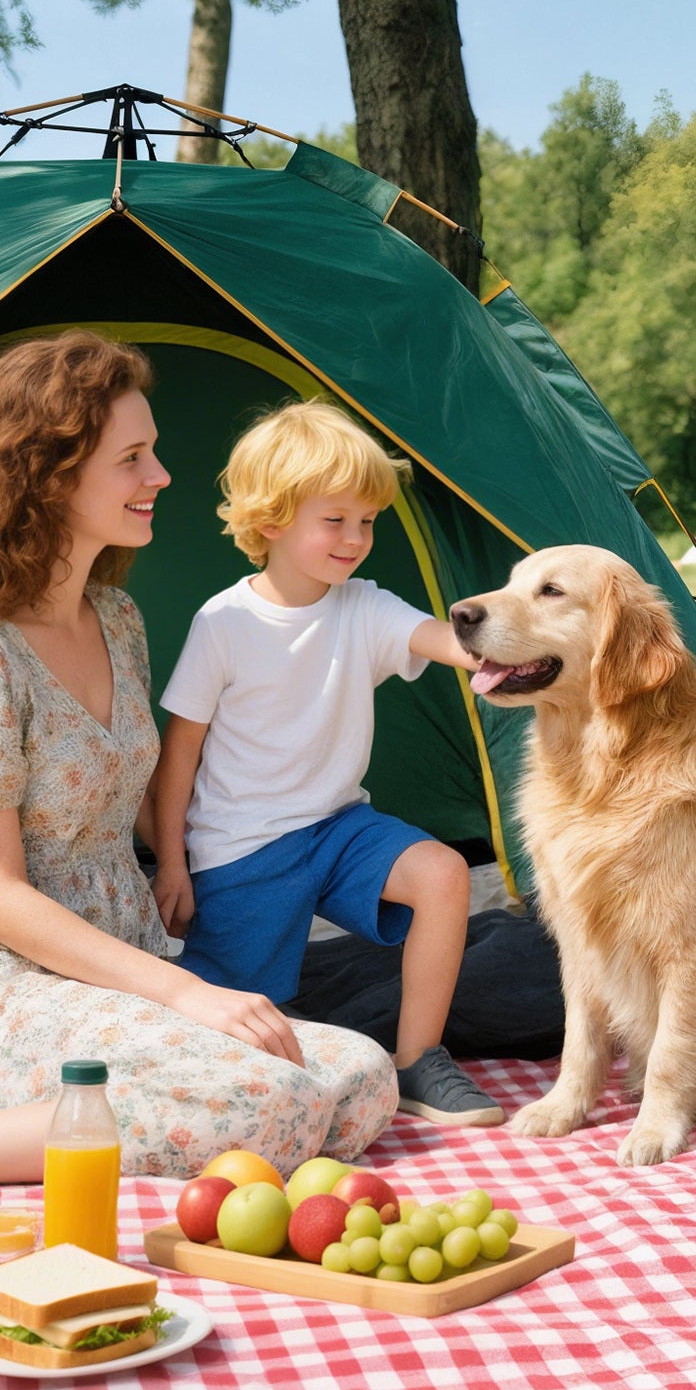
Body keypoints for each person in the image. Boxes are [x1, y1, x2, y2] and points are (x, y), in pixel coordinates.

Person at [0, 334, 397, 1202]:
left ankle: (32, 1117)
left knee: (358, 1073)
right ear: (46, 476)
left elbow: (159, 802)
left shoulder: (116, 618)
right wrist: (188, 995)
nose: (160, 475)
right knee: (262, 1101)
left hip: (119, 961)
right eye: (132, 457)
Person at [152, 401, 502, 1126]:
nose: (356, 538)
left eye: (367, 521)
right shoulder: (224, 623)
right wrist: (173, 863)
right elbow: (178, 751)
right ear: (272, 519)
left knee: (442, 873)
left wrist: (524, 646)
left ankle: (418, 1062)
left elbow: (449, 642)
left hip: (338, 827)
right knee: (241, 1025)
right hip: (240, 849)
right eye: (335, 520)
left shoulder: (364, 608)